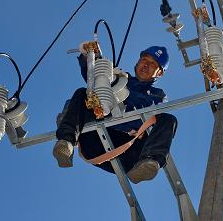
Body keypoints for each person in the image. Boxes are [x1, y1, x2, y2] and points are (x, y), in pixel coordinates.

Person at [53, 45, 177, 184]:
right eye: (144, 59)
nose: (146, 64)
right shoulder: (119, 78)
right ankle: (66, 142)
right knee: (84, 94)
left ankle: (149, 163)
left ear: (159, 73)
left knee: (168, 119)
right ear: (138, 61)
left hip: (130, 154)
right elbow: (95, 78)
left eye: (153, 63)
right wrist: (90, 57)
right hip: (95, 141)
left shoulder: (158, 95)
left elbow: (147, 112)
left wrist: (116, 99)